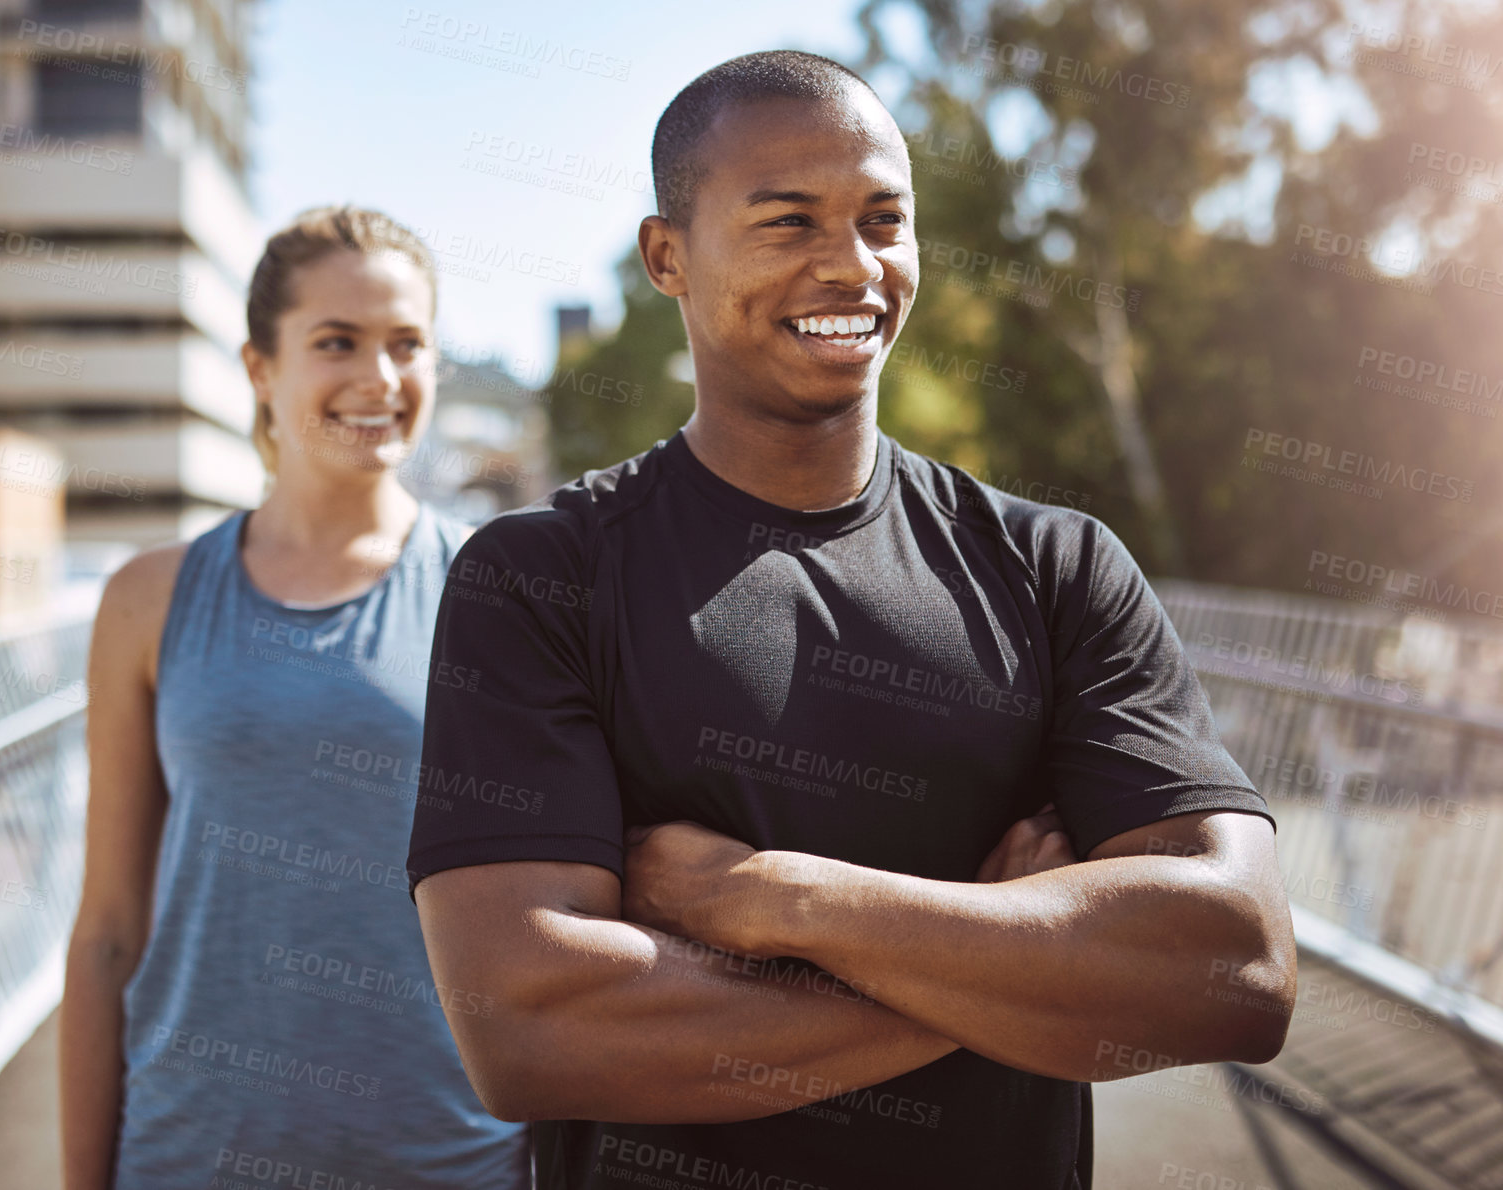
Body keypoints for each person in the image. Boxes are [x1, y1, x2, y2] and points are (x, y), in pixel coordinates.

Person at [407, 51, 1296, 1190]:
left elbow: (1237, 967)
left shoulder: (1057, 567)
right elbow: (532, 1027)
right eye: (787, 223)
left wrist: (772, 898)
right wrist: (1008, 946)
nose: (853, 264)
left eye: (885, 219)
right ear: (666, 257)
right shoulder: (540, 578)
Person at [59, 205, 532, 1189]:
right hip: (189, 1153)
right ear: (260, 368)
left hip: (446, 1160)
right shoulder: (148, 599)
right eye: (336, 342)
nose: (378, 378)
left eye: (408, 344)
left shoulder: (498, 593)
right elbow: (108, 928)